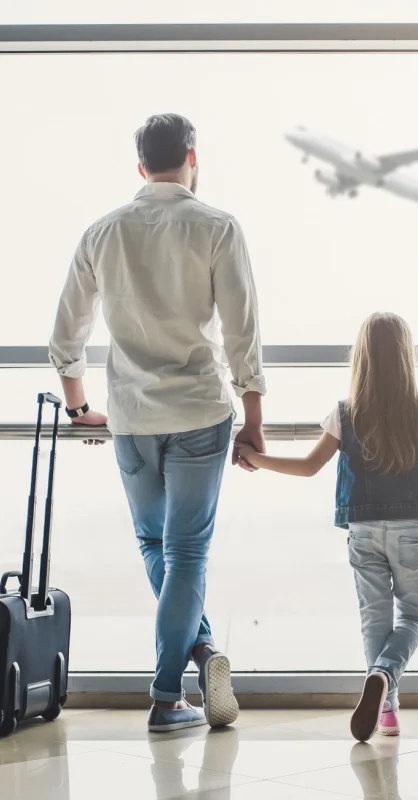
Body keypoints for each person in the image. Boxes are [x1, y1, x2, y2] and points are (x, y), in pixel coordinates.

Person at [49, 113, 266, 732]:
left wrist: (76, 407)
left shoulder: (103, 232)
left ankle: (191, 665)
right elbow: (242, 334)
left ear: (140, 165)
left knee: (156, 545)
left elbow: (67, 336)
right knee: (188, 551)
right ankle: (169, 690)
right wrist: (254, 420)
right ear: (192, 157)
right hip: (201, 410)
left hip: (132, 418)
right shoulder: (219, 226)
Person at [237, 312, 418, 741]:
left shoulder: (345, 412)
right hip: (409, 527)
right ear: (406, 358)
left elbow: (310, 466)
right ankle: (385, 678)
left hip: (363, 528)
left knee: (375, 619)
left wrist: (256, 459)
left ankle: (386, 710)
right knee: (414, 616)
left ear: (362, 359)